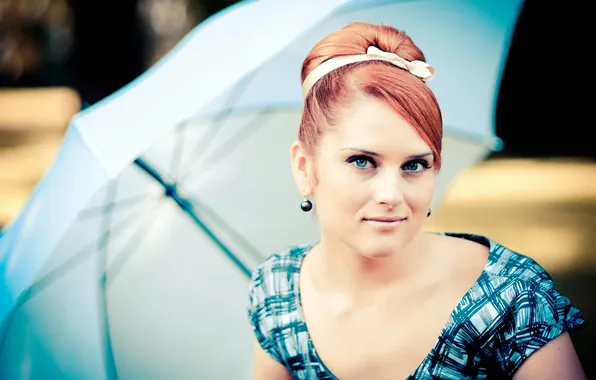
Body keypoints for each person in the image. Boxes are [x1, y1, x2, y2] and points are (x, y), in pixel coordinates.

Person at [246, 22, 587, 379]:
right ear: (304, 168)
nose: (392, 195)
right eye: (362, 161)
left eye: (415, 165)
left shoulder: (510, 298)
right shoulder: (278, 296)